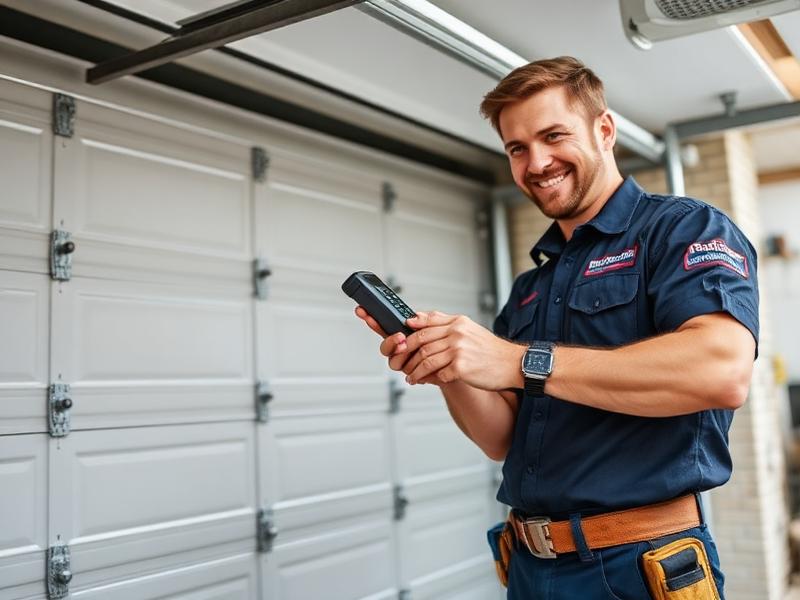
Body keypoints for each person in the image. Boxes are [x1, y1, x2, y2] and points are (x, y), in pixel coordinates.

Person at [355, 56, 758, 599]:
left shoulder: (682, 229)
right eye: (517, 148)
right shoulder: (532, 285)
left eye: (553, 136)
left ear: (605, 131)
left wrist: (519, 360)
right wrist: (451, 366)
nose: (536, 162)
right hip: (530, 565)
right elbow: (500, 438)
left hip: (642, 565)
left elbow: (721, 370)